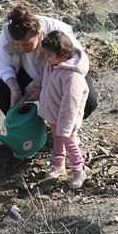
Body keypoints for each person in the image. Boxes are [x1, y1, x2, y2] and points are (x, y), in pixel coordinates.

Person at [0, 5, 98, 119]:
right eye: (17, 44)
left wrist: (45, 89)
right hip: (28, 72)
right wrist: (15, 89)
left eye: (27, 44)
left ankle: (61, 126)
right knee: (2, 93)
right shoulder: (8, 33)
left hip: (61, 72)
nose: (22, 49)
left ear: (38, 33)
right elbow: (4, 64)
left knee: (88, 103)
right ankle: (30, 129)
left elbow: (78, 62)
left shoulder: (57, 31)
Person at [37, 30, 91, 189]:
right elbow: (43, 79)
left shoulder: (72, 76)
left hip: (67, 118)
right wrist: (31, 86)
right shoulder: (52, 65)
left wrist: (66, 125)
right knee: (57, 139)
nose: (46, 59)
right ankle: (58, 164)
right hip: (55, 115)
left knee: (70, 142)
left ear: (62, 54)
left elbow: (71, 103)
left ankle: (79, 169)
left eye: (48, 55)